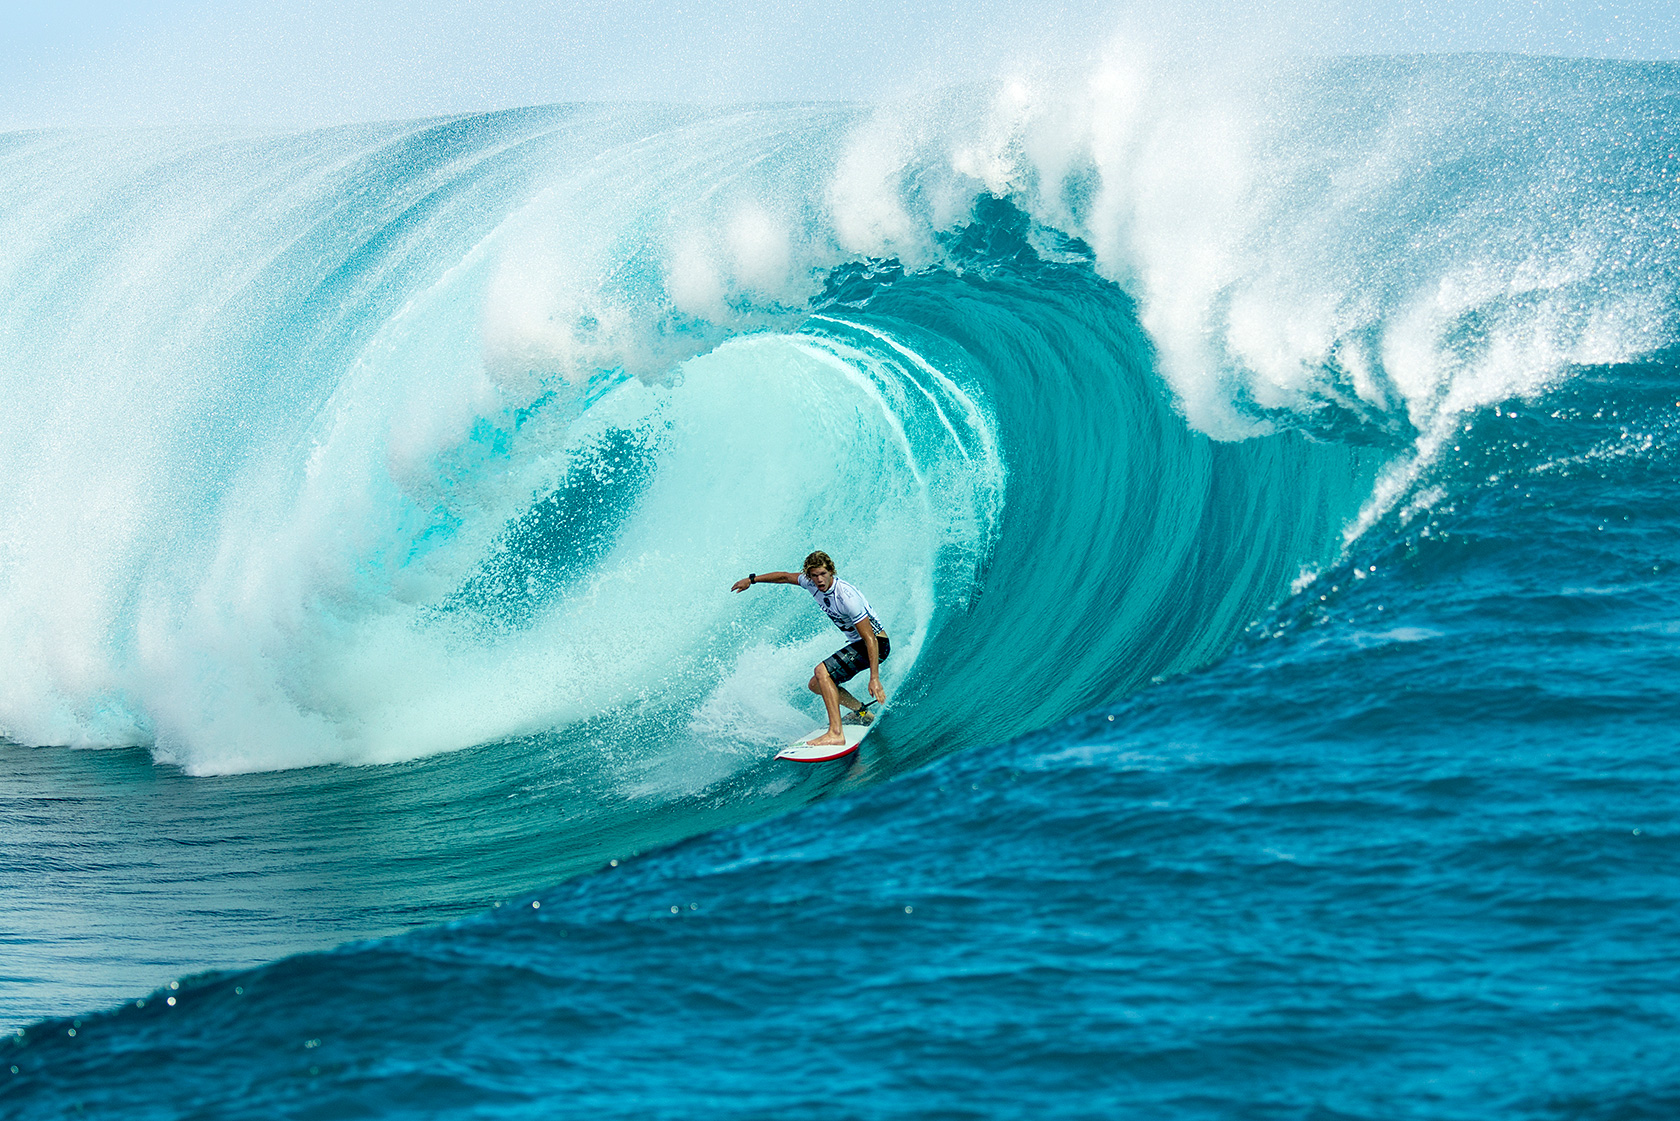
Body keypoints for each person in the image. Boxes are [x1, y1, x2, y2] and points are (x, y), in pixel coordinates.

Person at [731, 550, 888, 747]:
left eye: (823, 574)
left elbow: (870, 639)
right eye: (814, 575)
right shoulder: (811, 583)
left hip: (875, 644)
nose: (819, 580)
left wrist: (874, 678)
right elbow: (785, 577)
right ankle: (862, 712)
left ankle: (836, 733)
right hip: (859, 644)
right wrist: (751, 580)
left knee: (822, 672)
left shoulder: (847, 597)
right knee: (816, 684)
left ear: (831, 571)